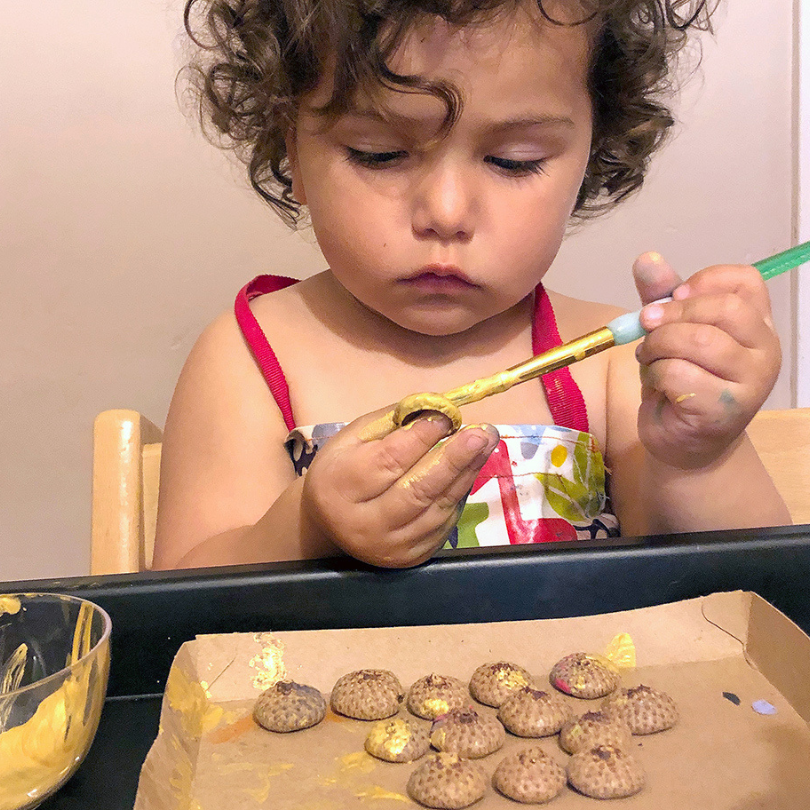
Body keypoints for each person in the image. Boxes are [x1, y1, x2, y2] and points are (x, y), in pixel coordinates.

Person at [151, 0, 790, 571]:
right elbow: (182, 604)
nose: (447, 213)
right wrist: (306, 528)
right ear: (289, 142)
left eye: (514, 161)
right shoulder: (251, 357)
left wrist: (701, 457)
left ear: (593, 153)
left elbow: (742, 593)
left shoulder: (615, 366)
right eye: (379, 152)